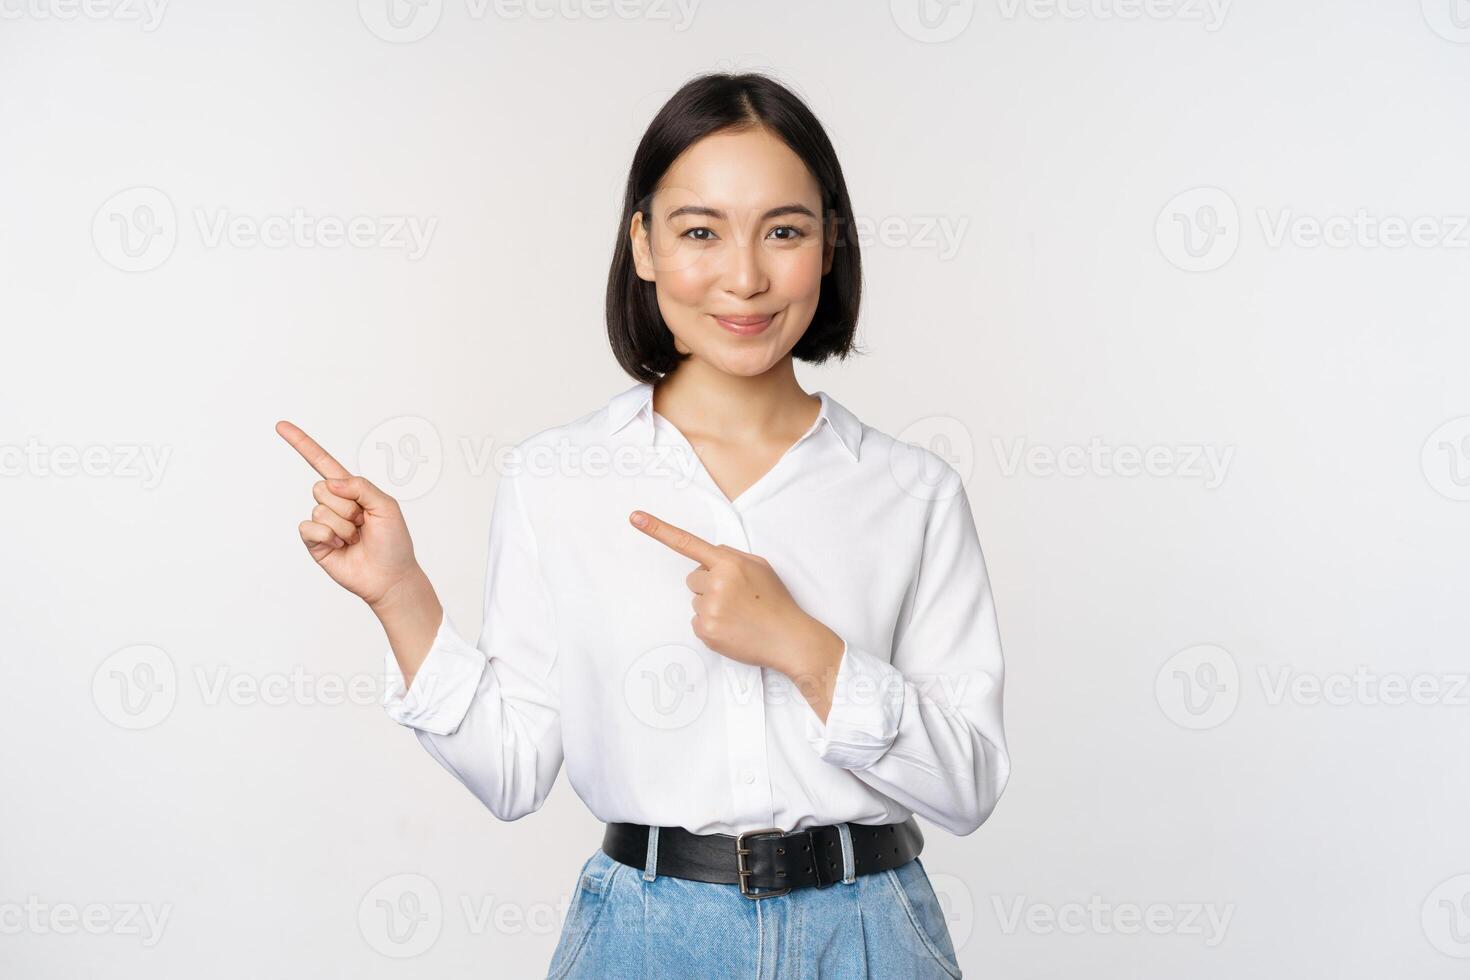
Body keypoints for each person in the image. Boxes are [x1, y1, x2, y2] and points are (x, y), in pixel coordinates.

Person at [278, 71, 1009, 979]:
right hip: (645, 939)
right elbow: (512, 771)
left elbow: (968, 786)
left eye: (784, 230)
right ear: (644, 245)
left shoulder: (912, 492)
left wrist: (806, 651)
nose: (744, 276)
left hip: (870, 936)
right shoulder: (557, 478)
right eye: (700, 231)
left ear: (830, 245)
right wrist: (400, 596)